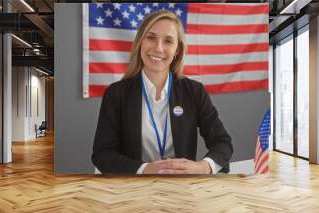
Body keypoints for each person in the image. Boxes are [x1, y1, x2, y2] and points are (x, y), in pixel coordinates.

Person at [92, 10, 233, 174]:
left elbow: (222, 143)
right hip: (132, 189)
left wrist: (202, 167)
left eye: (168, 41)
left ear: (177, 50)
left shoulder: (194, 92)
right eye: (151, 38)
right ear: (140, 43)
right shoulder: (116, 94)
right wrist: (144, 169)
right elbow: (102, 154)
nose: (158, 48)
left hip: (181, 189)